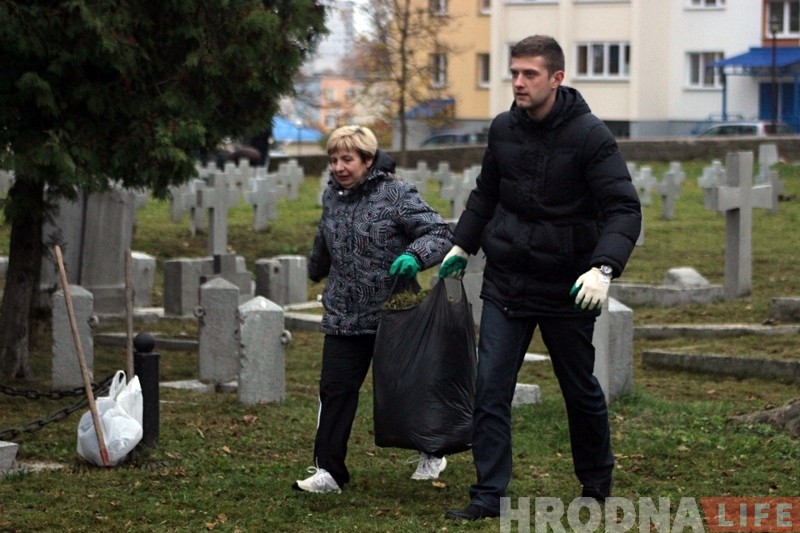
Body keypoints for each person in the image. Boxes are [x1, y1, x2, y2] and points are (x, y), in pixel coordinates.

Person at [439, 35, 642, 520]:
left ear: (557, 78)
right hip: (508, 280)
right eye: (513, 73)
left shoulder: (591, 135)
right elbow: (487, 193)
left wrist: (604, 267)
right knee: (489, 389)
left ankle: (595, 483)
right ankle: (489, 494)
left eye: (529, 74)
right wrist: (462, 244)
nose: (518, 83)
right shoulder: (504, 128)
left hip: (568, 286)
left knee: (579, 389)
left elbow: (623, 208)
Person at [293, 125, 453, 493]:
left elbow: (440, 234)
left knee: (406, 389)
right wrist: (315, 267)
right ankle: (329, 471)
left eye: (347, 159)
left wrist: (415, 256)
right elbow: (325, 236)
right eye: (333, 159)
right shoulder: (332, 197)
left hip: (392, 311)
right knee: (335, 389)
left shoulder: (395, 193)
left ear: (367, 160)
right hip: (343, 313)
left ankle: (432, 452)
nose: (339, 167)